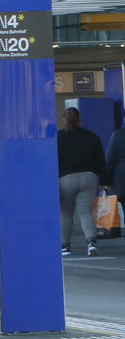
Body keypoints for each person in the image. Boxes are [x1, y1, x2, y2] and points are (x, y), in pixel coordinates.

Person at [57, 106, 108, 257]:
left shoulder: (58, 137)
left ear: (64, 119)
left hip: (66, 178)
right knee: (85, 211)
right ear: (79, 119)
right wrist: (105, 179)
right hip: (88, 177)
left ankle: (65, 246)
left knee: (65, 213)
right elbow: (100, 160)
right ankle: (91, 243)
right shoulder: (91, 136)